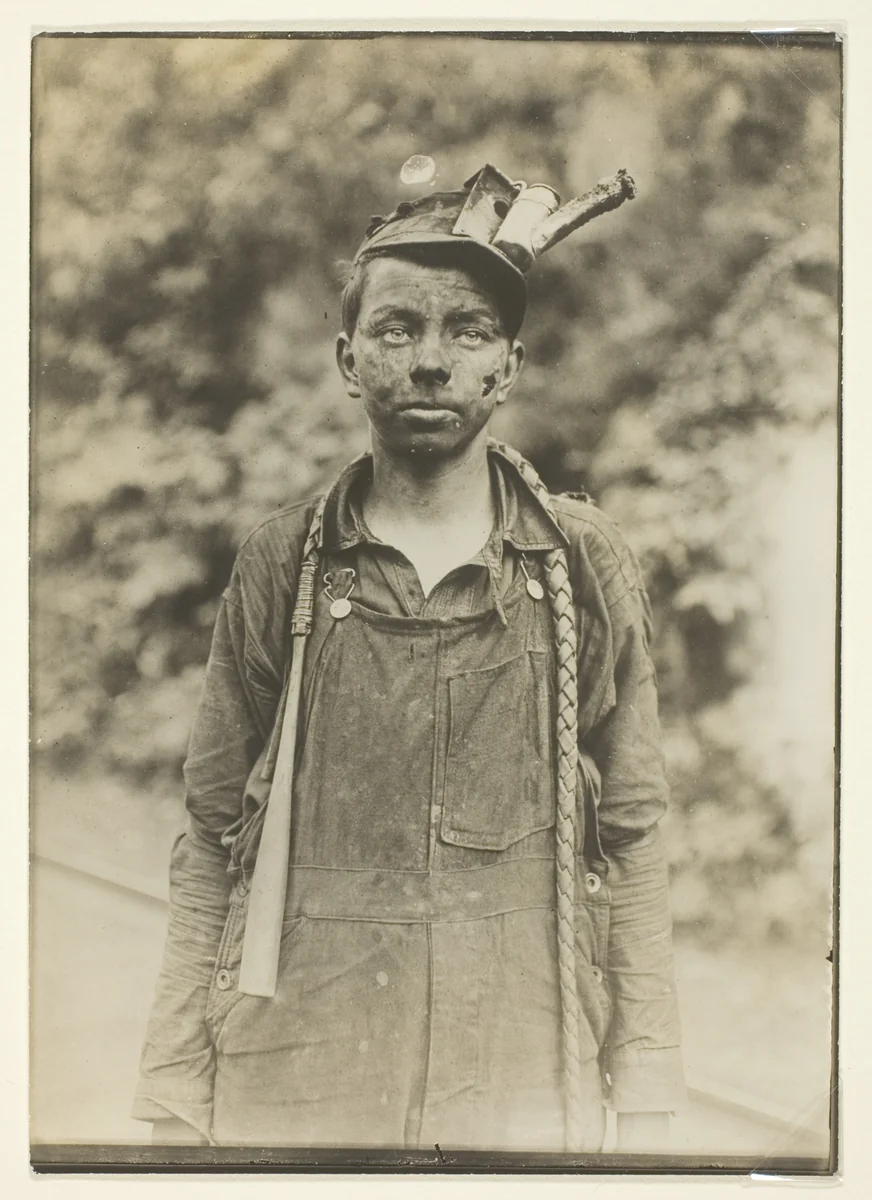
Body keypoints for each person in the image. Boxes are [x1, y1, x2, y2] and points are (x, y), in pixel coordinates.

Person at [132, 162, 685, 1154]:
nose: (430, 360)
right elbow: (213, 837)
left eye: (466, 330)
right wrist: (174, 1081)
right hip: (300, 1080)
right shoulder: (280, 565)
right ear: (348, 360)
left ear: (506, 367)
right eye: (397, 329)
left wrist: (641, 1085)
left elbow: (634, 839)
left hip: (516, 1078)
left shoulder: (577, 565)